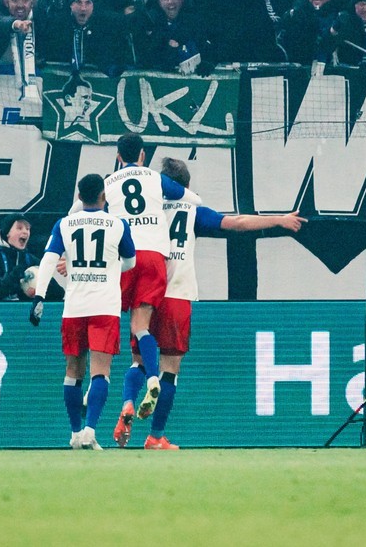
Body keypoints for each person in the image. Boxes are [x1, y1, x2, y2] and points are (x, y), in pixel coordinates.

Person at [126, 158, 306, 449]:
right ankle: (155, 436)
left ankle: (127, 405)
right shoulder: (192, 210)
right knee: (170, 369)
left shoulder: (147, 210)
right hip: (178, 294)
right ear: (186, 186)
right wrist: (279, 220)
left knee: (138, 361)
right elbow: (237, 223)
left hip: (147, 292)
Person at [28, 173, 136, 449]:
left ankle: (75, 433)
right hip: (104, 306)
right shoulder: (118, 224)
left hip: (74, 306)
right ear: (104, 196)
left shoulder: (64, 224)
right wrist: (110, 269)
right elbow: (130, 262)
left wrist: (39, 295)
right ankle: (90, 430)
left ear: (78, 197)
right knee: (100, 372)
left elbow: (49, 259)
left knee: (72, 371)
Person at [105, 132, 185, 435]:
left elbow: (81, 212)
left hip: (125, 259)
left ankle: (127, 400)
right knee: (145, 331)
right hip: (161, 268)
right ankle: (154, 383)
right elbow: (184, 195)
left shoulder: (108, 184)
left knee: (135, 339)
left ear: (118, 155)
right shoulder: (155, 180)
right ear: (142, 155)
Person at [0, 213, 56, 301]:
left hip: (25, 313)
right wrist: (14, 276)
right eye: (19, 228)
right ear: (7, 233)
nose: (25, 231)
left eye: (28, 228)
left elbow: (58, 293)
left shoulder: (32, 261)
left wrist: (41, 287)